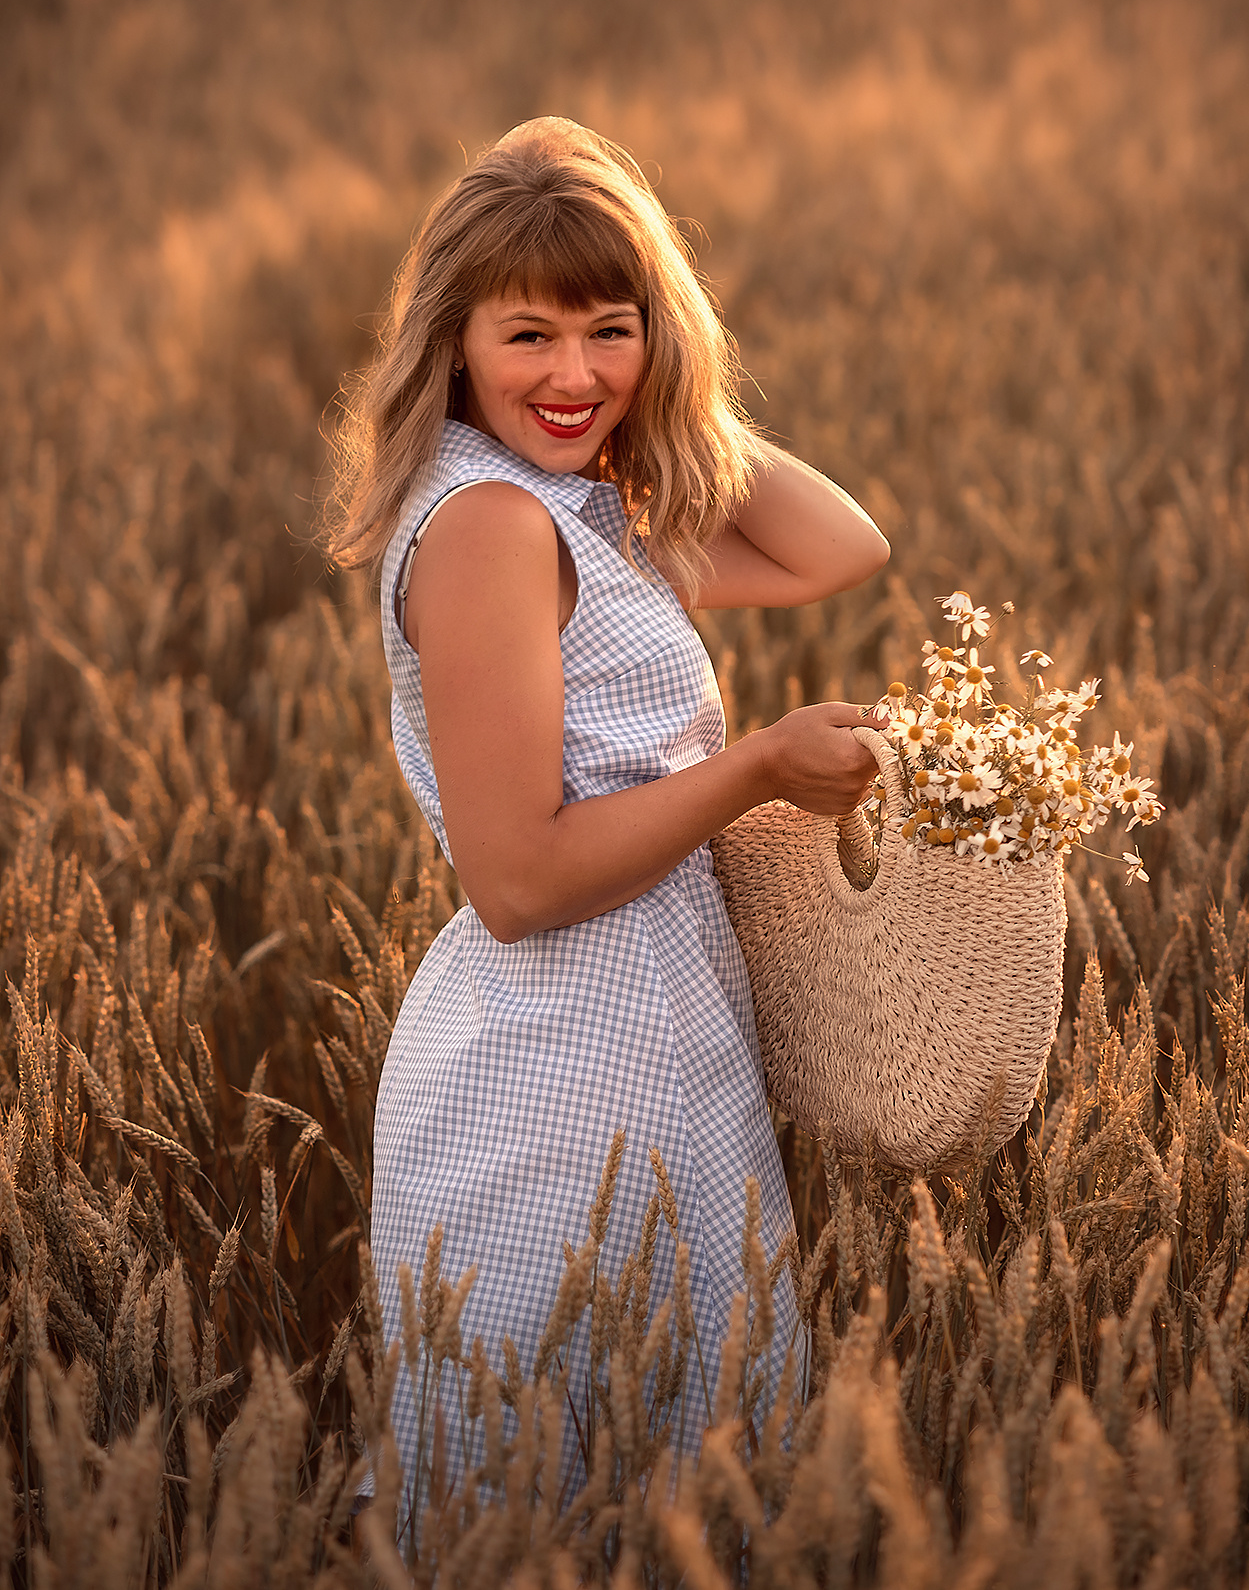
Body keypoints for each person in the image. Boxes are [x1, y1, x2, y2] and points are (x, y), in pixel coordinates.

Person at [327, 116, 889, 1535]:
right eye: (527, 336)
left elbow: (843, 548)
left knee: (685, 1505)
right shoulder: (490, 533)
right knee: (544, 1512)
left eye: (608, 328)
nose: (571, 372)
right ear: (453, 342)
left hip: (659, 1039)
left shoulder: (579, 508)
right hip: (550, 1077)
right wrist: (756, 764)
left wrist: (670, 400)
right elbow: (516, 877)